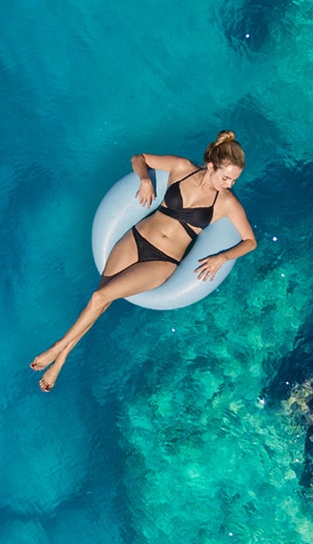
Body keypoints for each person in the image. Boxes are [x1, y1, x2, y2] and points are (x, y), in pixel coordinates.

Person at [30, 130, 257, 392]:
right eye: (226, 177)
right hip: (136, 238)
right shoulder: (182, 167)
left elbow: (250, 241)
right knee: (101, 301)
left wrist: (221, 257)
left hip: (163, 261)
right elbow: (138, 158)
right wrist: (145, 180)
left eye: (233, 180)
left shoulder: (227, 202)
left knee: (98, 298)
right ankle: (62, 360)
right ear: (211, 166)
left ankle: (57, 349)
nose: (229, 184)